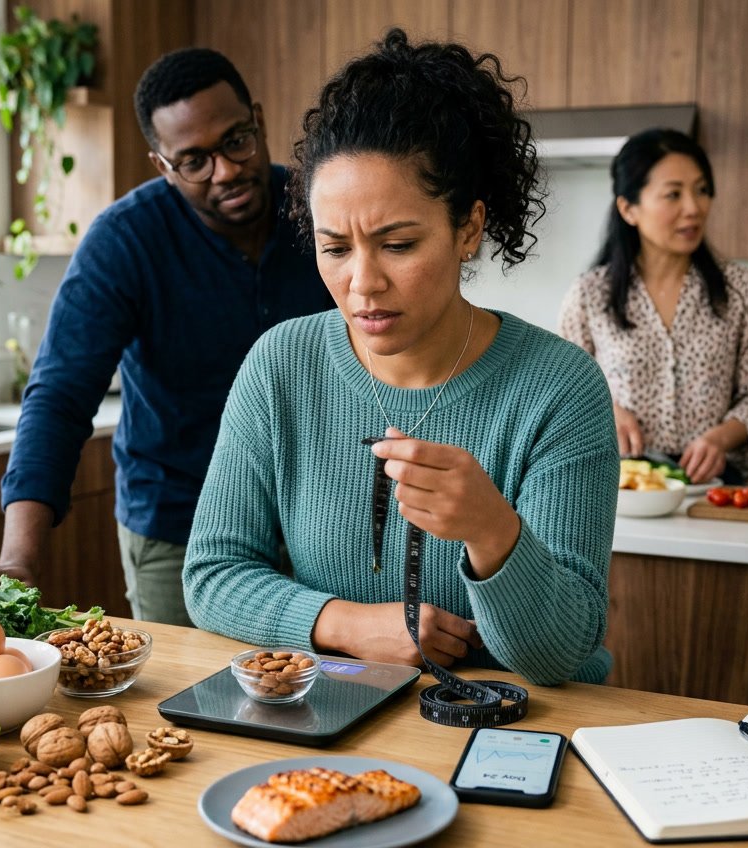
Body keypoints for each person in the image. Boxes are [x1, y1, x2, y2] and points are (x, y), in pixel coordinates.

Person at [183, 29, 618, 686]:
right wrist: (344, 623)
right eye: (335, 248)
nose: (363, 282)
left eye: (398, 244)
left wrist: (492, 531)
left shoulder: (558, 387)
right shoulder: (281, 366)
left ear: (467, 229)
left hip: (516, 738)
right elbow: (213, 577)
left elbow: (561, 655)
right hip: (339, 728)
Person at [0, 48, 333, 622]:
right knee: (190, 702)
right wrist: (18, 560)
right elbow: (60, 397)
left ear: (258, 120)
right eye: (194, 161)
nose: (227, 170)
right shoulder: (124, 242)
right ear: (162, 165)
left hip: (322, 522)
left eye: (237, 140)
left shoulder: (319, 210)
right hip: (177, 528)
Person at [558, 129, 748, 485]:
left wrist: (718, 440)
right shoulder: (590, 295)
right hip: (620, 487)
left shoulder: (741, 289)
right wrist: (608, 413)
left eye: (702, 190)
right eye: (673, 194)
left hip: (711, 488)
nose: (694, 208)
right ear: (629, 209)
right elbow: (564, 395)